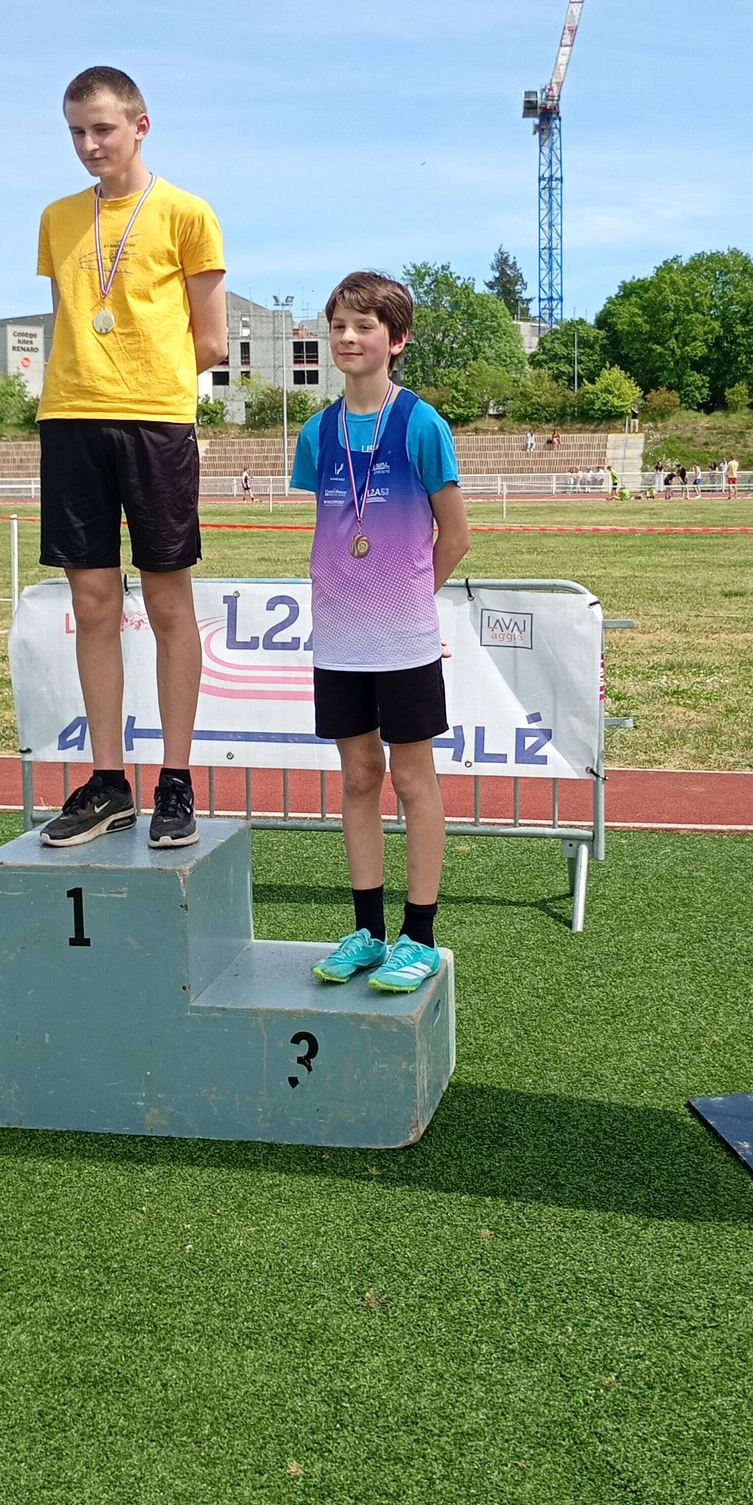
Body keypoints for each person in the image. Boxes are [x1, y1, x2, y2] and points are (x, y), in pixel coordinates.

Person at [34, 65, 228, 850]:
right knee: (92, 605)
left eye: (103, 128)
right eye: (77, 131)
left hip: (155, 424)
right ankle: (109, 781)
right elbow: (64, 322)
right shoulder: (56, 218)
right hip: (70, 420)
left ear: (140, 126)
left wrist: (146, 379)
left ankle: (175, 780)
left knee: (169, 602)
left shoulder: (187, 213)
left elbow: (211, 339)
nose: (89, 144)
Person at [289, 271, 471, 994]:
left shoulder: (421, 425)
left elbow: (456, 537)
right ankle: (366, 932)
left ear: (397, 340)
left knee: (412, 781)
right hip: (337, 641)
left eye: (364, 326)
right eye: (338, 325)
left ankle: (418, 935)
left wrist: (407, 601)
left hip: (403, 643)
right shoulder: (317, 433)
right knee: (359, 778)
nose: (347, 337)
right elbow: (334, 530)